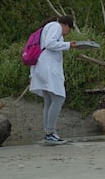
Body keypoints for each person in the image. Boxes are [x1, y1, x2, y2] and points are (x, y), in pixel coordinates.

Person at [29, 15, 77, 145]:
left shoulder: (48, 27)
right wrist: (68, 45)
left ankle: (48, 133)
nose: (68, 32)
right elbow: (50, 43)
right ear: (66, 25)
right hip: (48, 68)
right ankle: (50, 133)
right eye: (70, 29)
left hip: (41, 67)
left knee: (49, 100)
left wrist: (65, 44)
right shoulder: (56, 26)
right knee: (58, 98)